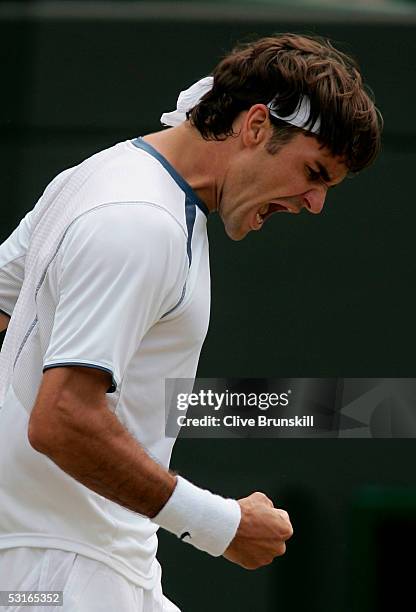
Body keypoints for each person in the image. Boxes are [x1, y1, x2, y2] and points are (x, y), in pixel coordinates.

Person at [0, 33, 381, 611]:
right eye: (314, 172)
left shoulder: (97, 178)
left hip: (73, 565)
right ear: (256, 126)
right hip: (67, 576)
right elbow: (62, 417)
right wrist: (219, 524)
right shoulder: (140, 222)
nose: (315, 203)